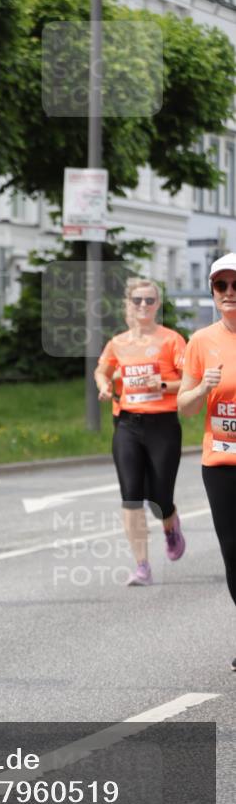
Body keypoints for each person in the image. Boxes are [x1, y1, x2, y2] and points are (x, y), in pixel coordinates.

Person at [95, 278, 186, 586]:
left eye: (149, 300)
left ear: (157, 305)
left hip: (163, 424)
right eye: (138, 300)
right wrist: (105, 386)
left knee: (160, 498)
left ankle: (170, 524)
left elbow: (190, 380)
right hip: (127, 425)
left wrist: (161, 385)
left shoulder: (172, 340)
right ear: (128, 304)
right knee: (131, 495)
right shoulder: (118, 343)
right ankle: (142, 566)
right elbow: (101, 370)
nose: (144, 305)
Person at [178, 253, 236, 670]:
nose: (229, 294)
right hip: (221, 460)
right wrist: (201, 387)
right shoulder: (201, 341)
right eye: (222, 286)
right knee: (233, 552)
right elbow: (185, 407)